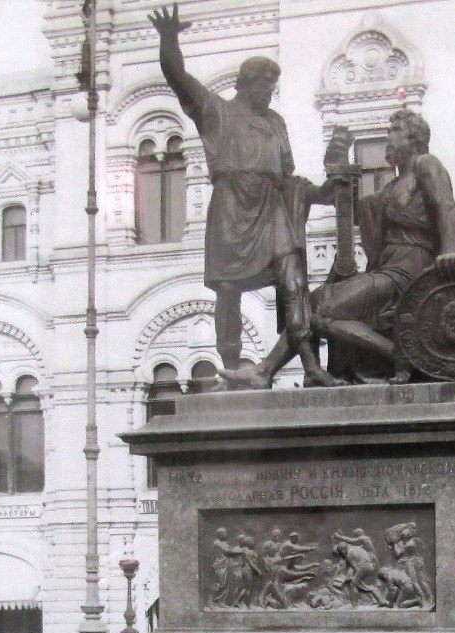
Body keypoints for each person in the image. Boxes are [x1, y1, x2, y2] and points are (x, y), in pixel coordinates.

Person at [148, 4, 337, 385]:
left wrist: (320, 194)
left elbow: (290, 180)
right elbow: (178, 77)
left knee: (294, 282)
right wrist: (169, 40)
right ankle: (231, 368)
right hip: (232, 207)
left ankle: (312, 366)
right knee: (229, 289)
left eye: (272, 86)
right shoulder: (215, 111)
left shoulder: (276, 123)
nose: (270, 92)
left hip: (272, 207)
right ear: (246, 84)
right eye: (264, 85)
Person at [221, 107, 455, 388]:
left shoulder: (427, 165)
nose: (388, 137)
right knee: (307, 303)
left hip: (409, 271)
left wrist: (451, 249)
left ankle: (398, 354)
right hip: (388, 269)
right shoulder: (391, 187)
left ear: (415, 138)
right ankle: (271, 372)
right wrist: (337, 168)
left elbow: (446, 205)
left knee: (321, 309)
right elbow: (354, 212)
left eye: (395, 131)